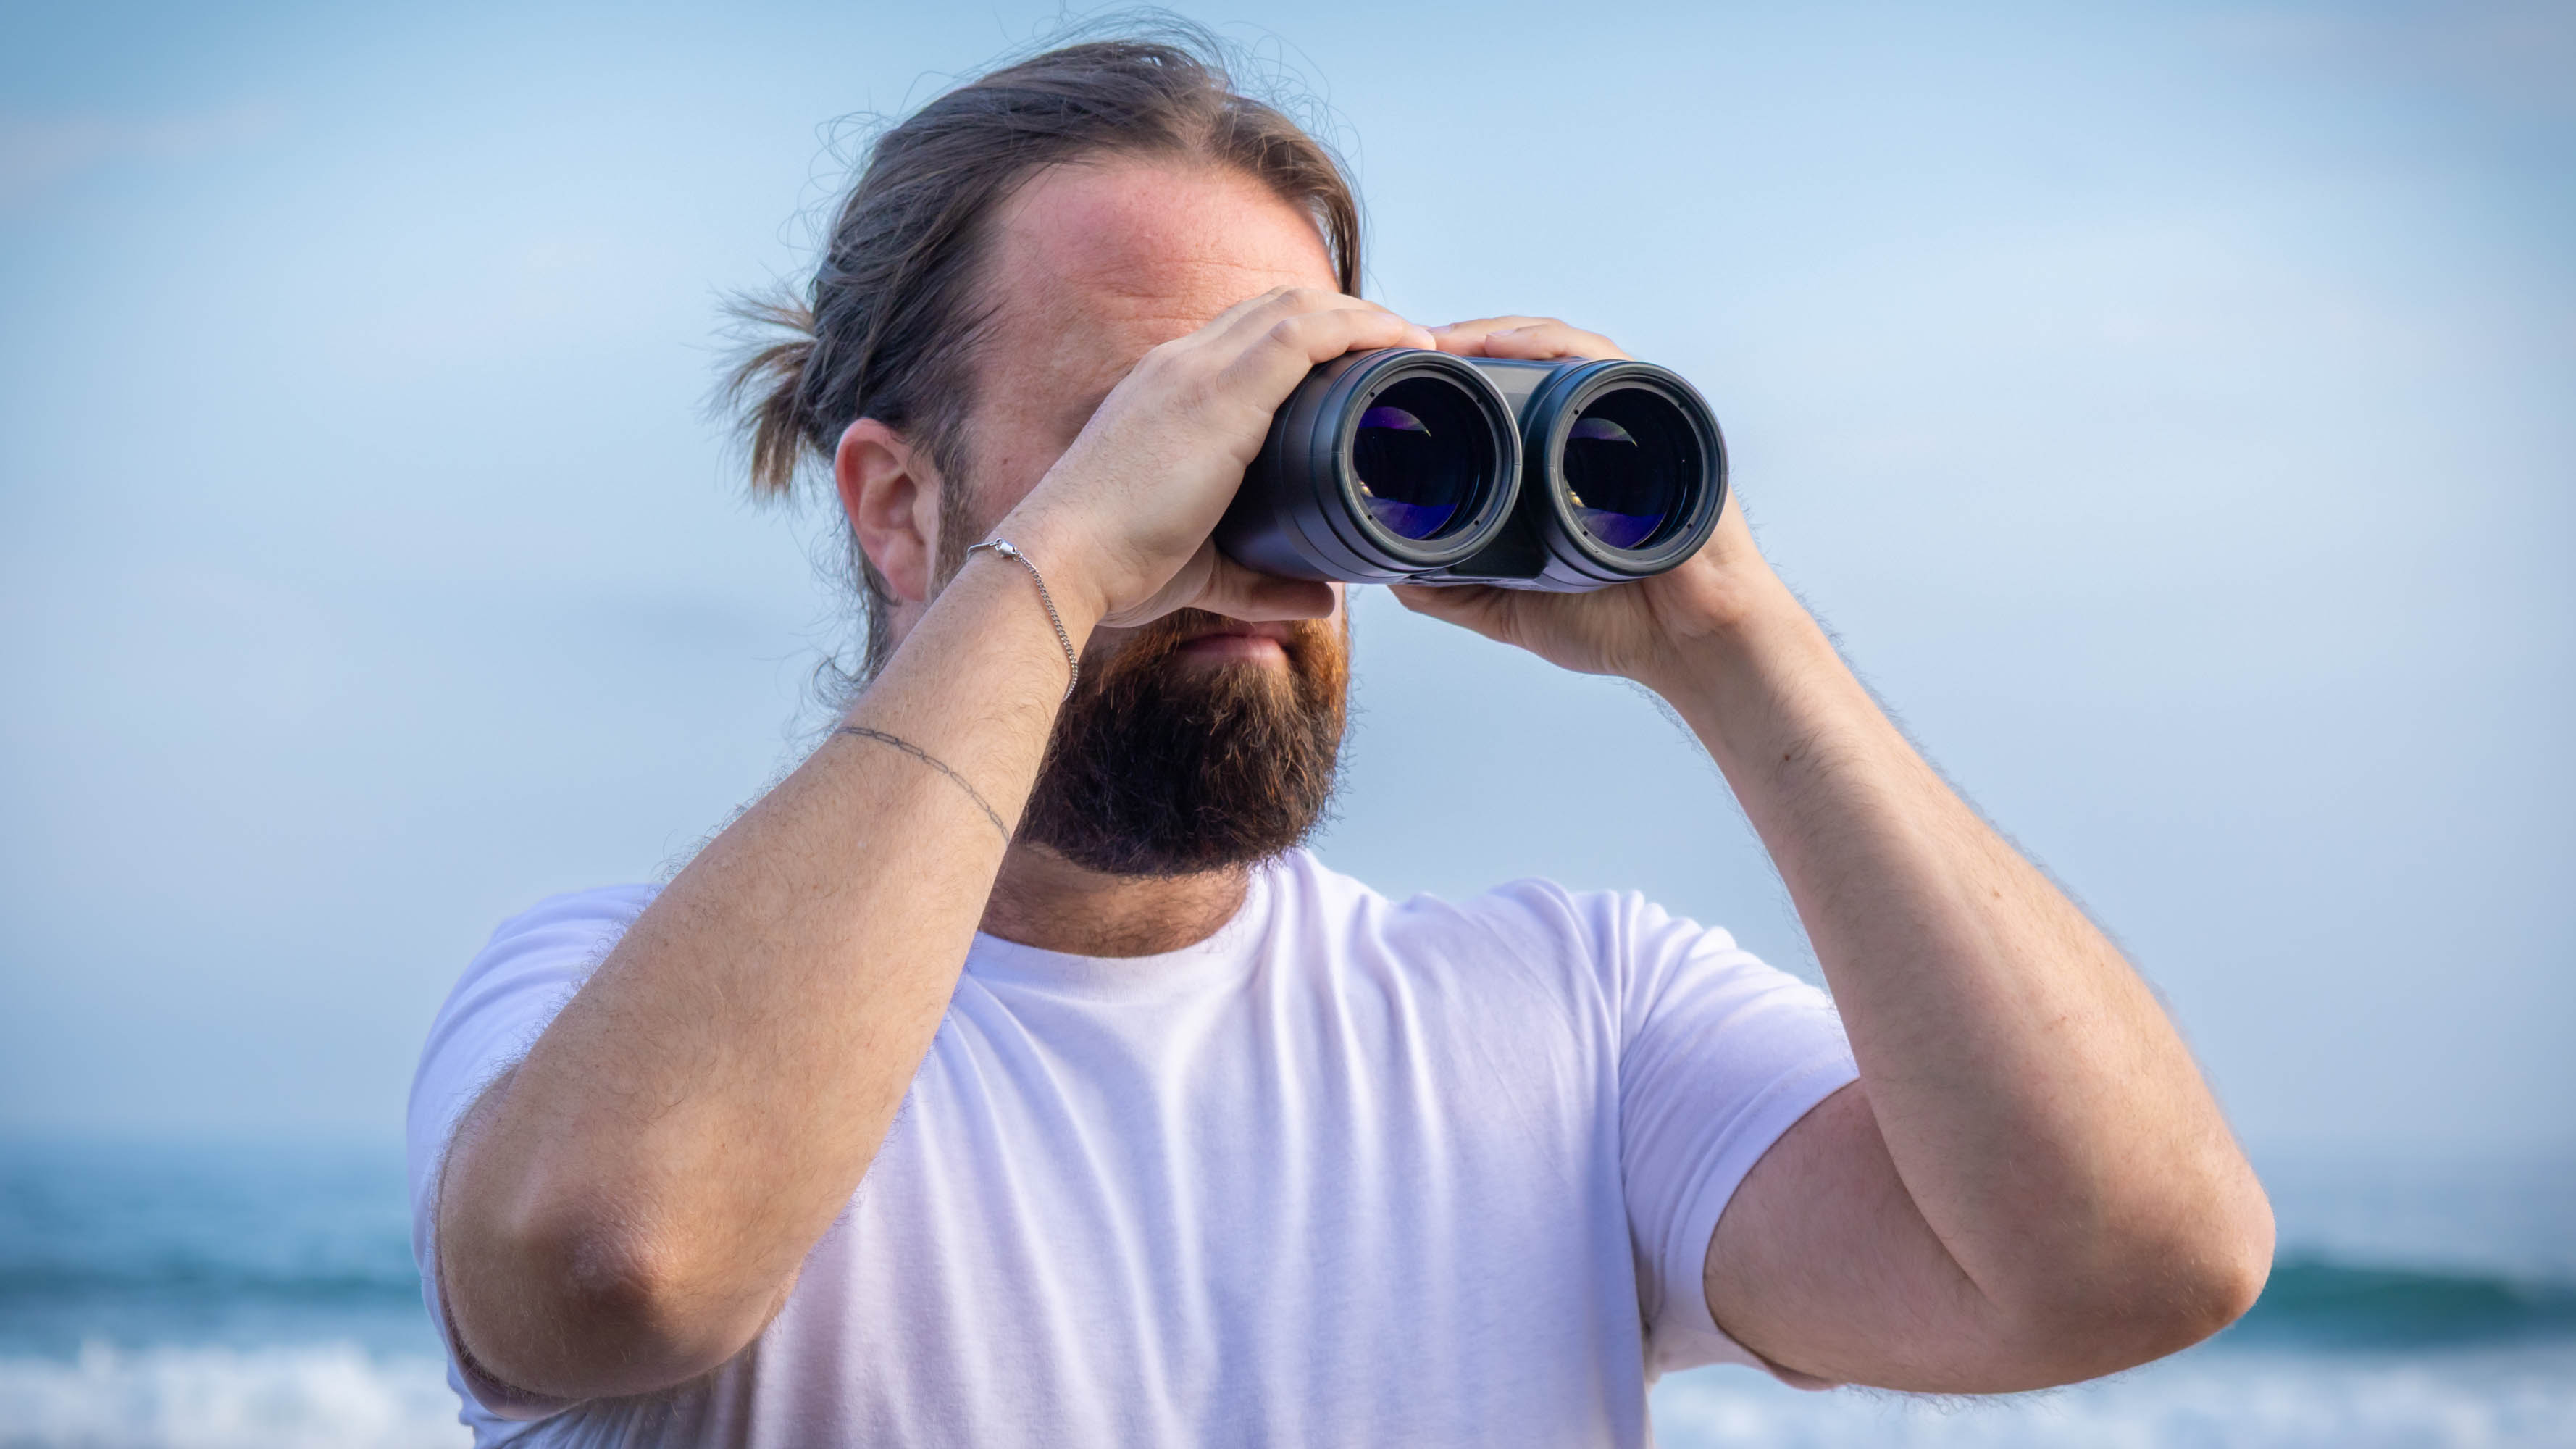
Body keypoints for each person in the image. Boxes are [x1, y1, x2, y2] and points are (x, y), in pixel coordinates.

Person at [405, 33, 2274, 1448]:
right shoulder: (590, 1010)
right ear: (899, 510)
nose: (1228, 513)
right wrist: (1066, 567)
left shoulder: (1575, 1023)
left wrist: (1730, 636)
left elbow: (2137, 1262)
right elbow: (618, 1268)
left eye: (1292, 424)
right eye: (1150, 425)